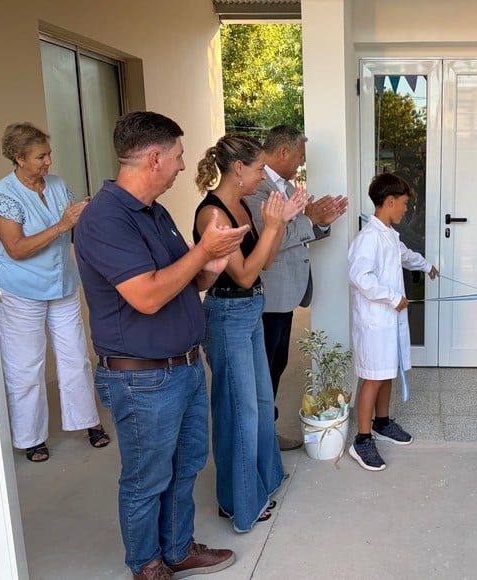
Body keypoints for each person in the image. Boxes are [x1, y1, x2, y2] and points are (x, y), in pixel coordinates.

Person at [74, 111, 245, 579]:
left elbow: (181, 284)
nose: (181, 164)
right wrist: (202, 253)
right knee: (147, 479)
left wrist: (212, 263)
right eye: (177, 156)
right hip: (141, 377)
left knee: (186, 464)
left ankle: (176, 548)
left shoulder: (155, 211)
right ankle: (146, 564)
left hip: (184, 367)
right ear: (154, 158)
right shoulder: (104, 219)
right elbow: (147, 295)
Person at [193, 134, 307, 532]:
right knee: (237, 413)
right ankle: (237, 502)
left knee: (258, 403)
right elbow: (241, 274)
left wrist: (280, 224)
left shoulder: (241, 205)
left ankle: (262, 482)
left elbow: (265, 263)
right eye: (258, 168)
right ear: (237, 168)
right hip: (227, 315)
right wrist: (274, 223)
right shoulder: (214, 215)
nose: (263, 175)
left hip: (250, 310)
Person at [0, 122, 109, 463]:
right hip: (19, 288)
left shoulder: (57, 185)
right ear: (18, 157)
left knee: (76, 357)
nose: (48, 162)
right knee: (26, 365)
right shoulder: (3, 197)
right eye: (41, 157)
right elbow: (17, 249)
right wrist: (63, 224)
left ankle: (88, 422)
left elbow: (73, 228)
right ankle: (30, 438)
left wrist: (86, 219)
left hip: (62, 283)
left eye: (49, 154)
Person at [244, 124, 348, 451]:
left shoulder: (284, 187)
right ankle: (260, 440)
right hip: (269, 296)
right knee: (264, 371)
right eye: (300, 157)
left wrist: (319, 221)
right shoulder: (257, 190)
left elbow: (294, 234)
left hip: (286, 295)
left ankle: (267, 434)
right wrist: (309, 218)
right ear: (284, 152)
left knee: (276, 366)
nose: (301, 164)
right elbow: (270, 239)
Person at [347, 173, 438, 471]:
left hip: (389, 319)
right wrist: (390, 297)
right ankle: (361, 440)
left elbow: (405, 256)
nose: (406, 210)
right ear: (388, 202)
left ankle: (382, 423)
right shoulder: (368, 238)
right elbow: (360, 277)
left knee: (386, 370)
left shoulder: (388, 234)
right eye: (403, 204)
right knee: (373, 376)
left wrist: (426, 266)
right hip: (375, 321)